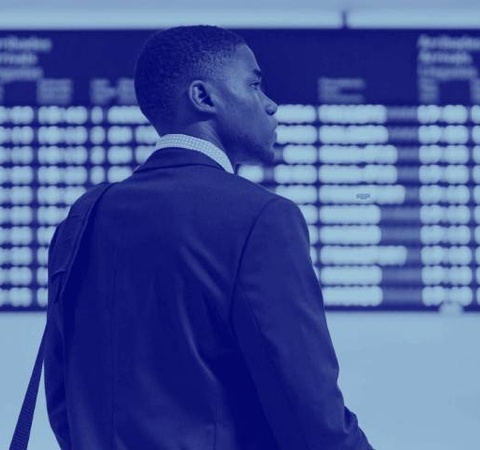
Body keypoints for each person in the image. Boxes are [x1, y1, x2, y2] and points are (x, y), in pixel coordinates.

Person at [44, 25, 374, 449]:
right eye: (255, 84)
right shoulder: (263, 218)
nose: (271, 104)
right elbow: (310, 415)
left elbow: (62, 398)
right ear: (203, 97)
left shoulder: (84, 216)